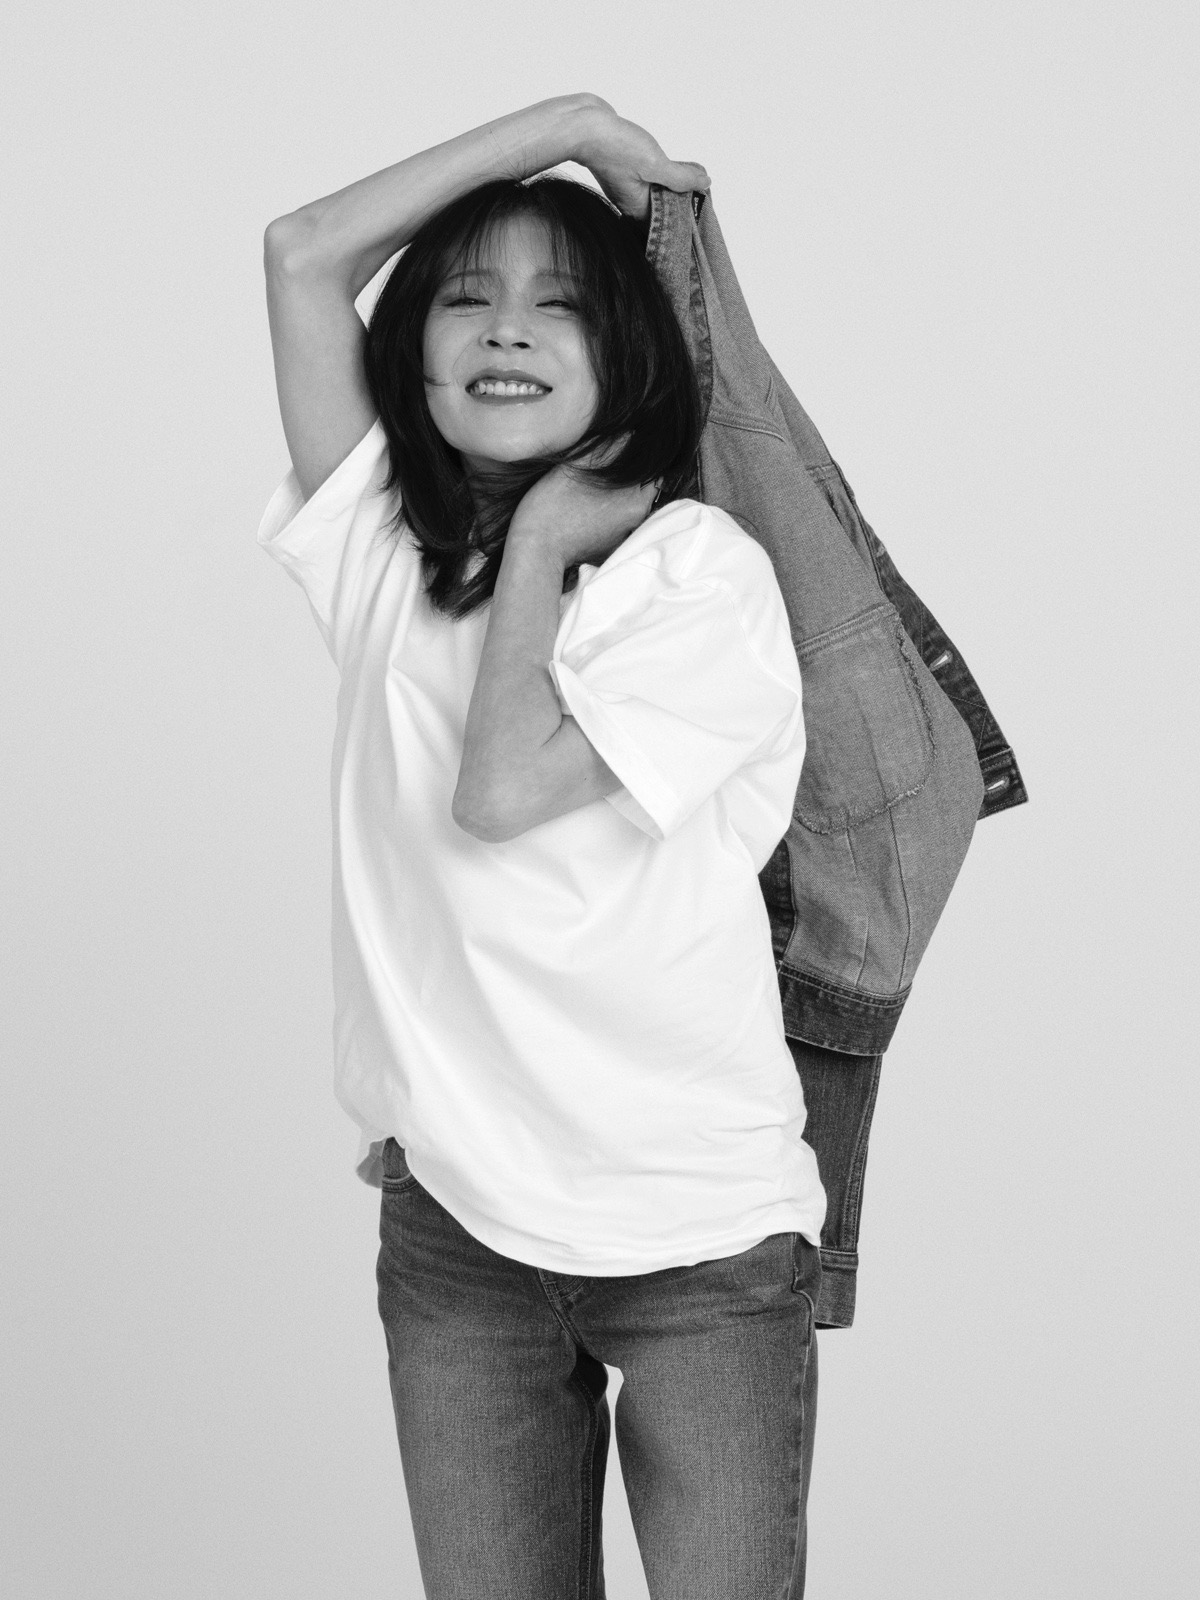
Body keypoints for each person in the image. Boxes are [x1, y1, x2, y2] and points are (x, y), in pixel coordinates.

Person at [258, 93, 826, 1600]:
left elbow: (500, 788)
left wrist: (541, 545)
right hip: (460, 1234)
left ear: (625, 357)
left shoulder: (700, 579)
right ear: (416, 352)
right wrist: (566, 124)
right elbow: (304, 251)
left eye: (561, 305)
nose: (507, 328)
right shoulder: (383, 552)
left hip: (698, 1239)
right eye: (467, 297)